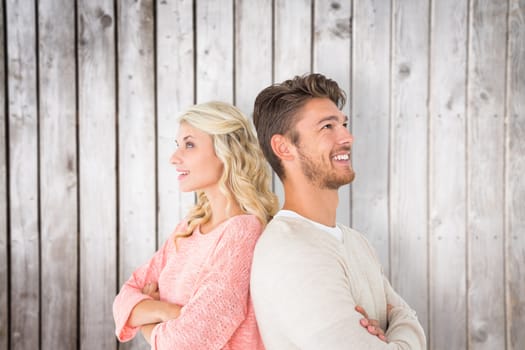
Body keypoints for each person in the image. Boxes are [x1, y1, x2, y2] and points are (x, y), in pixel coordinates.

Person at [250, 73, 426, 349]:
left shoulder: (356, 242)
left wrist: (399, 325)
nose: (347, 137)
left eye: (343, 124)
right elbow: (404, 315)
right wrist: (406, 325)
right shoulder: (291, 251)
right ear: (283, 147)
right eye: (327, 127)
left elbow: (402, 314)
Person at [113, 101, 278, 349]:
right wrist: (167, 311)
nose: (174, 158)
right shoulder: (187, 229)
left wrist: (148, 322)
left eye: (189, 145)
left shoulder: (243, 231)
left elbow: (187, 343)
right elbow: (123, 300)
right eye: (178, 145)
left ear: (226, 153)